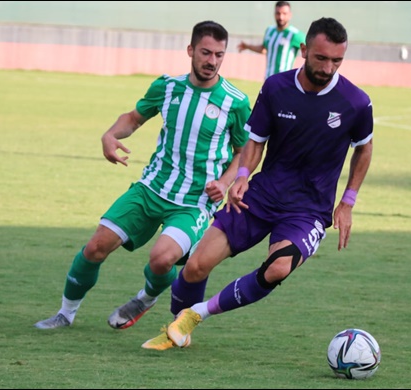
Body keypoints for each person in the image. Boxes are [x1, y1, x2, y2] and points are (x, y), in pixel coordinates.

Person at [142, 16, 373, 350]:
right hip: (261, 195)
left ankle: (196, 315)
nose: (328, 68)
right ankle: (178, 331)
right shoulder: (276, 88)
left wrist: (348, 201)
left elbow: (364, 147)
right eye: (321, 58)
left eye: (337, 60)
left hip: (308, 209)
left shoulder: (355, 101)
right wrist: (241, 177)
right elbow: (255, 141)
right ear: (304, 50)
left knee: (278, 268)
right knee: (195, 266)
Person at [35, 20, 251, 332]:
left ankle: (146, 297)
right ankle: (65, 314)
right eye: (205, 52)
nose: (211, 61)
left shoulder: (236, 101)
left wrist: (225, 181)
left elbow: (246, 150)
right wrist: (110, 134)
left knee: (161, 259)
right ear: (190, 50)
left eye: (219, 55)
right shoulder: (167, 88)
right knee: (96, 246)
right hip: (151, 188)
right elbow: (133, 119)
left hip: (193, 202)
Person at [237, 1, 305, 80]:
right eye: (278, 13)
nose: (281, 17)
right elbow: (264, 49)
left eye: (284, 13)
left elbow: (310, 50)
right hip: (268, 78)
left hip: (285, 81)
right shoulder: (269, 30)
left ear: (290, 15)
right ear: (274, 14)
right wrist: (247, 46)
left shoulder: (295, 34)